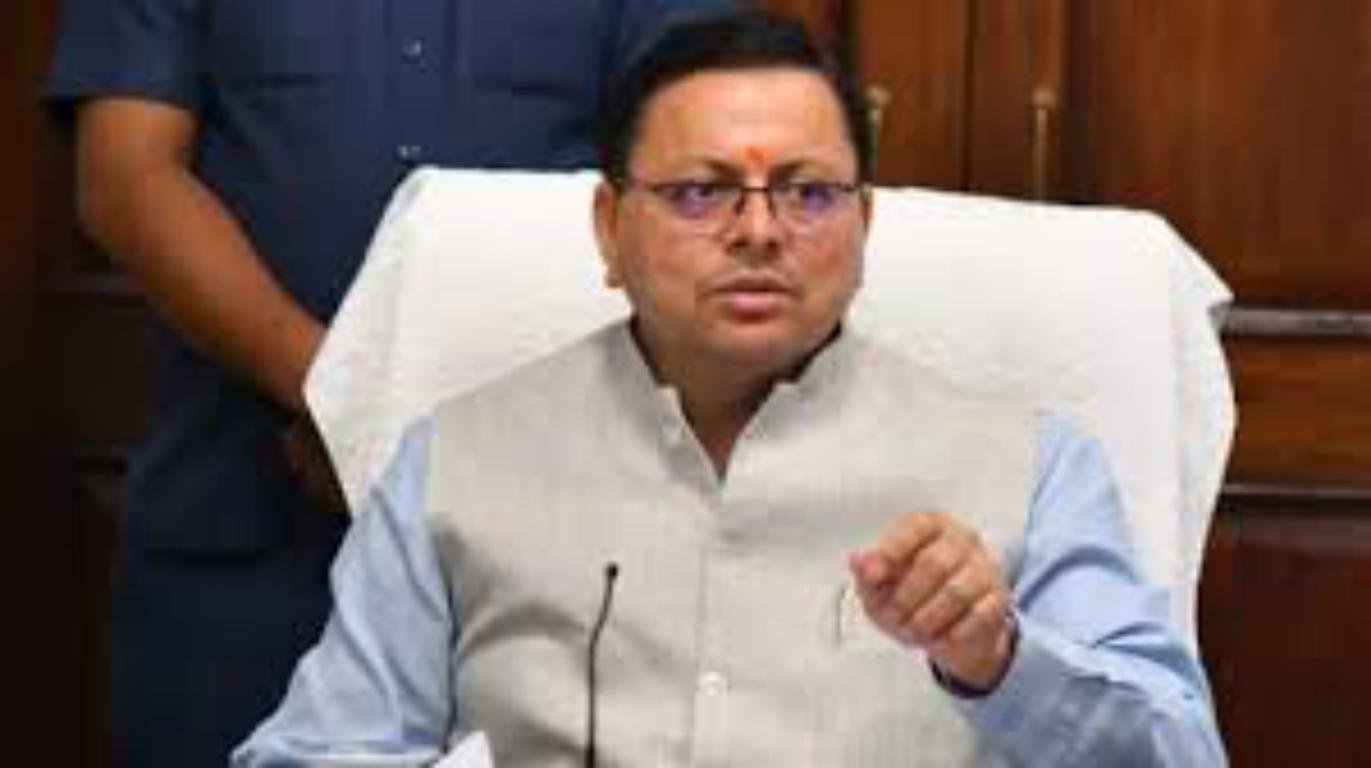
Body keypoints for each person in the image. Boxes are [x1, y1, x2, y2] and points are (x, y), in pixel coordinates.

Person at [235, 9, 1227, 766]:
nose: (758, 232)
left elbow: (1180, 753)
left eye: (807, 193)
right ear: (608, 228)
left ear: (864, 225)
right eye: (701, 192)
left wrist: (1000, 661)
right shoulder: (457, 459)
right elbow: (319, 749)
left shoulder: (1027, 465)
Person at [44, 1, 729, 765]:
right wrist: (337, 396)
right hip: (245, 535)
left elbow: (701, 171)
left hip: (552, 550)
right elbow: (124, 180)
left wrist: (390, 420)